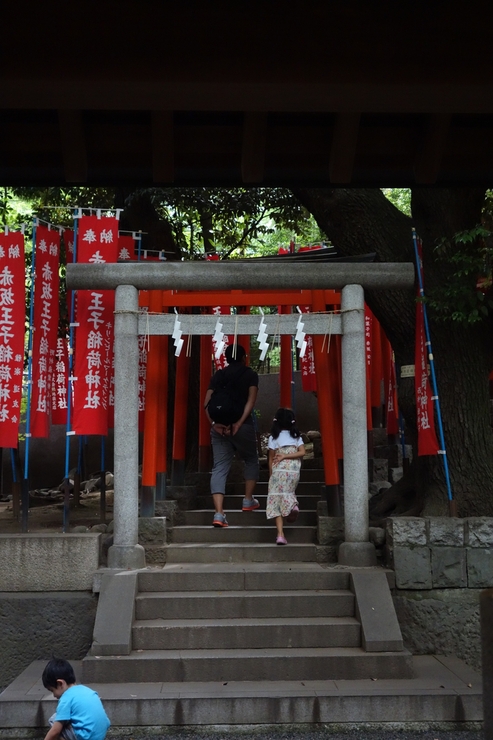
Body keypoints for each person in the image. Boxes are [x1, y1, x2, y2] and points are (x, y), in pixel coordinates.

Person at [204, 343, 260, 527]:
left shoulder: (218, 375)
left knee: (219, 467)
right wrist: (238, 422)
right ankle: (247, 500)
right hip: (242, 426)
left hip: (218, 427)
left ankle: (219, 514)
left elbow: (206, 404)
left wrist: (214, 425)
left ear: (226, 358)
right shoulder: (250, 375)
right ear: (244, 357)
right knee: (251, 458)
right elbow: (251, 401)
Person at [41, 658, 110, 740]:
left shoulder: (66, 698)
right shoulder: (86, 690)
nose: (54, 695)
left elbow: (55, 731)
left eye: (52, 690)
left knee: (54, 720)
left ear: (60, 683)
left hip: (85, 737)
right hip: (99, 736)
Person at [267, 408, 305, 545]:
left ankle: (280, 535)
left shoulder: (273, 438)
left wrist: (271, 474)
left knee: (275, 498)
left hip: (278, 469)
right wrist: (288, 455)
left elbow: (271, 458)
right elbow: (302, 452)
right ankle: (292, 505)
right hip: (294, 470)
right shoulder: (296, 437)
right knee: (288, 492)